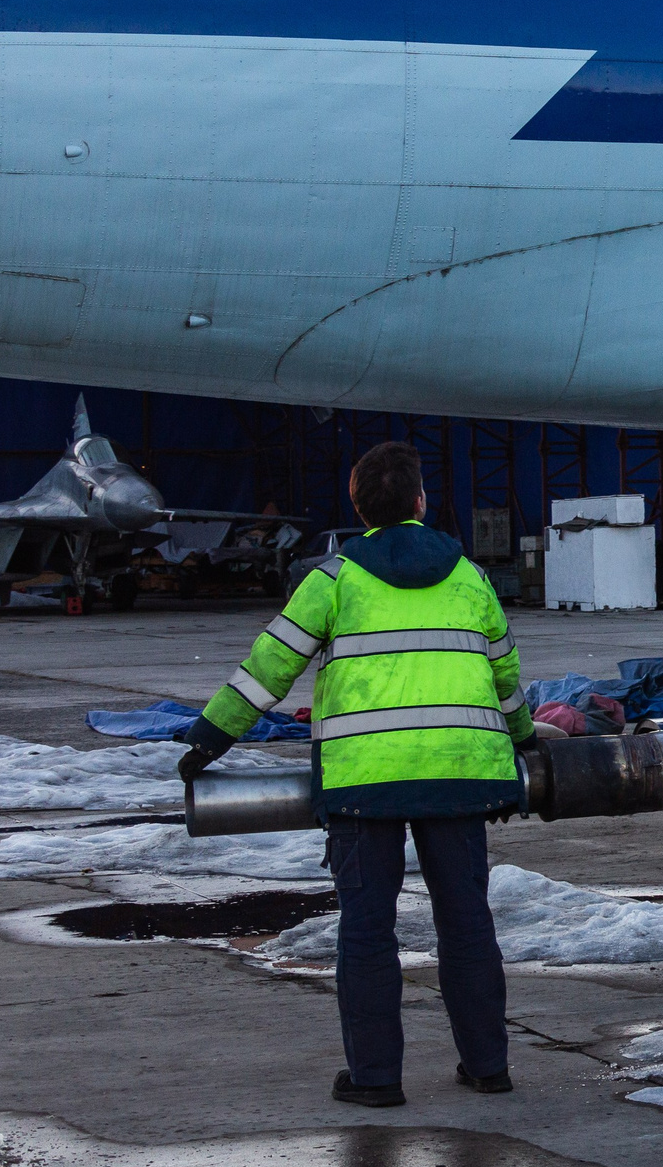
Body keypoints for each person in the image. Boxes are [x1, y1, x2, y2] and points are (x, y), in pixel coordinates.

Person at [176, 441, 534, 1107]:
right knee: (466, 920)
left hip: (363, 785)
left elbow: (268, 668)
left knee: (368, 928)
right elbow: (506, 676)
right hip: (460, 775)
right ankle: (489, 1065)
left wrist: (208, 739)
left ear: (359, 507)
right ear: (421, 503)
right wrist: (522, 744)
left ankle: (377, 1078)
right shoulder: (470, 578)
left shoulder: (334, 579)